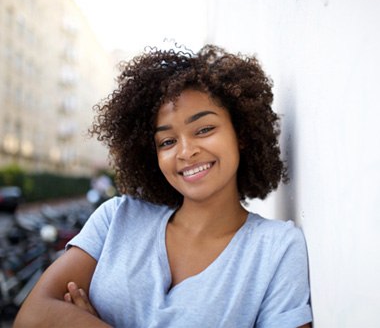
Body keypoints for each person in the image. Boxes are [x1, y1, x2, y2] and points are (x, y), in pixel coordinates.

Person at [14, 45, 312, 327]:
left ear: (241, 134)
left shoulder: (277, 249)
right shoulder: (117, 218)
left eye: (204, 129)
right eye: (167, 141)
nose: (185, 151)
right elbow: (32, 316)